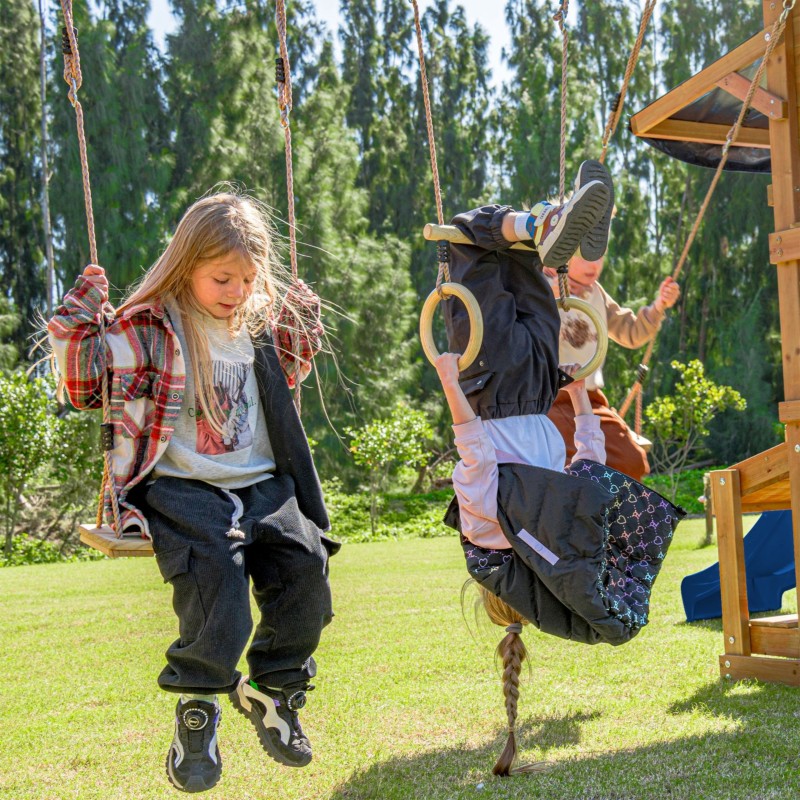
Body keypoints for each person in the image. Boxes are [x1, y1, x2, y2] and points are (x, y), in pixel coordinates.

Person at [47, 192, 338, 793]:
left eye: (248, 279)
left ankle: (273, 688)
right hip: (183, 487)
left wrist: (302, 316)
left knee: (307, 568)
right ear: (186, 266)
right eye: (221, 277)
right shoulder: (155, 326)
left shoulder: (258, 331)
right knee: (218, 587)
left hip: (262, 483)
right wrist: (83, 312)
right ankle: (198, 707)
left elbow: (297, 363)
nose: (235, 290)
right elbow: (81, 383)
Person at [435, 171, 683, 775]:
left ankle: (540, 226)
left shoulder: (537, 530)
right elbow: (474, 450)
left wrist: (574, 400)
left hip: (536, 375)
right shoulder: (491, 532)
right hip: (492, 381)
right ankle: (537, 226)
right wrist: (450, 385)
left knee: (508, 258)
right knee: (470, 247)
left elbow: (588, 469)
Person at [544, 252, 681, 480]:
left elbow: (632, 333)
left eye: (600, 256)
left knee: (632, 463)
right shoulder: (535, 284)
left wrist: (659, 306)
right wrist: (543, 297)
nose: (595, 264)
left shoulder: (596, 292)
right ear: (564, 253)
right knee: (562, 465)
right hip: (547, 398)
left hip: (589, 399)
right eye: (588, 255)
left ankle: (603, 513)